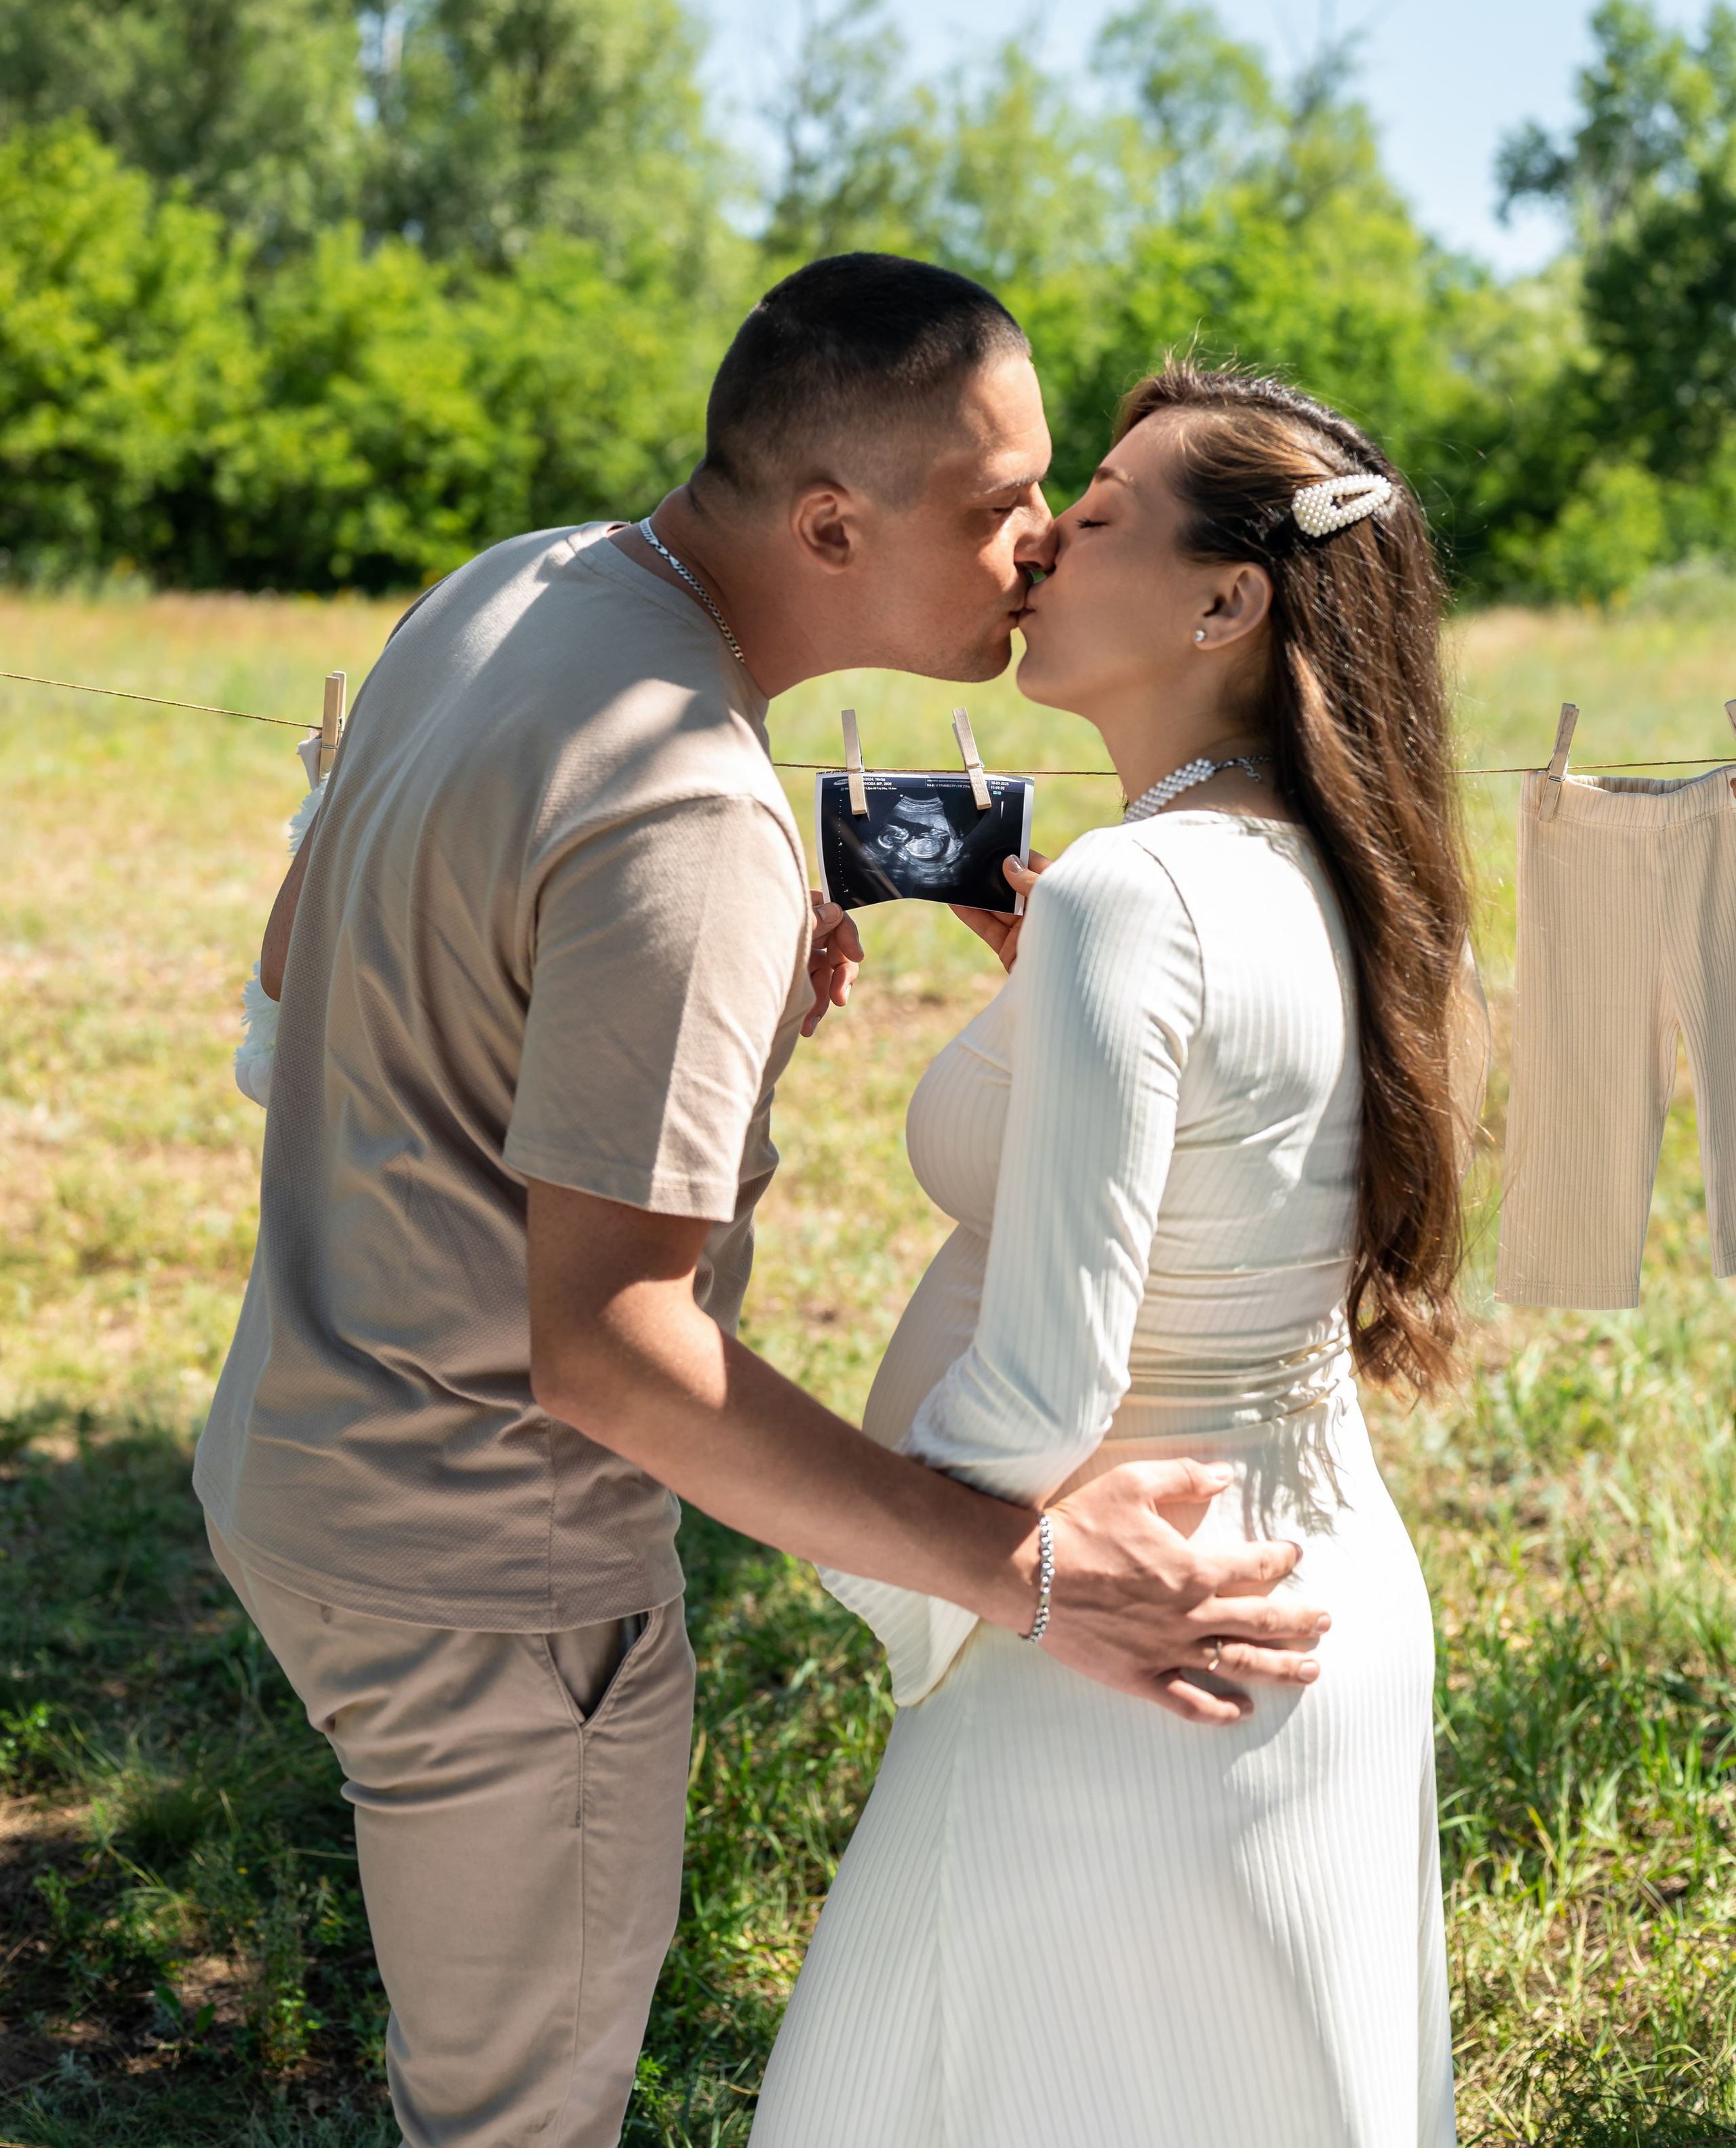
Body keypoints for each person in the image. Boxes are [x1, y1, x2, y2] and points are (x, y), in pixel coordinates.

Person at [192, 263, 1330, 2148]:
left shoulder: (515, 586)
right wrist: (1023, 1570)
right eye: (1002, 503)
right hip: (489, 1575)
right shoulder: (696, 815)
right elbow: (612, 1354)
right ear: (830, 523)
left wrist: (674, 1026)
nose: (1040, 543)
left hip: (294, 1464)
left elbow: (302, 972)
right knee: (512, 2120)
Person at [751, 360, 1480, 2148]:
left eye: (1085, 522)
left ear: (1228, 598)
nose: (1033, 553)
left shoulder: (1130, 897)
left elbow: (1046, 1380)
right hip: (1320, 1604)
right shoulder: (1331, 866)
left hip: (1118, 1643)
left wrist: (893, 1577)